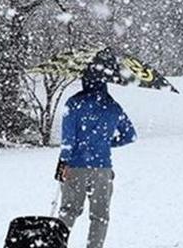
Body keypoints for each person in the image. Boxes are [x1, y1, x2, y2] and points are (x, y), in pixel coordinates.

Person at [55, 66, 136, 248]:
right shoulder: (113, 106)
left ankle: (57, 244)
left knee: (68, 210)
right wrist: (107, 142)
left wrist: (64, 162)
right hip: (102, 168)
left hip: (75, 166)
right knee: (100, 216)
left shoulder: (74, 103)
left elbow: (68, 138)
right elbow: (130, 135)